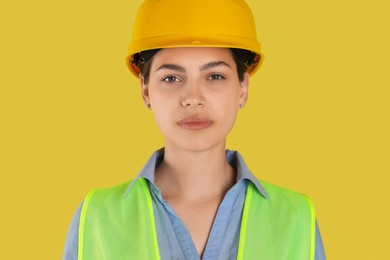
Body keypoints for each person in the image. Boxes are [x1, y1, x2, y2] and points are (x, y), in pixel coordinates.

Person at [63, 0, 326, 259]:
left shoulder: (295, 218)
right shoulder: (97, 217)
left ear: (242, 87)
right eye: (171, 78)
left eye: (215, 76)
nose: (193, 97)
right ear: (145, 90)